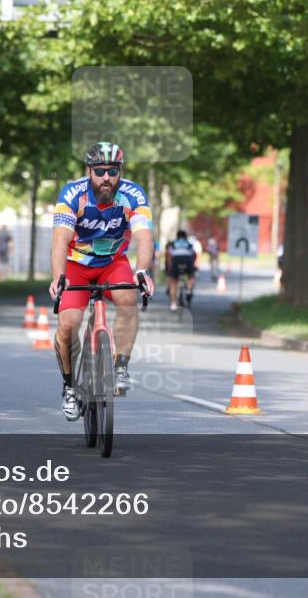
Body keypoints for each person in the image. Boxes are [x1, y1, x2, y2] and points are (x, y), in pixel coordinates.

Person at [49, 141, 154, 419]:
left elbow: (144, 237)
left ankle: (120, 366)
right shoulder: (73, 194)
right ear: (89, 171)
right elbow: (60, 239)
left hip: (112, 263)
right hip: (76, 264)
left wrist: (142, 270)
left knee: (128, 298)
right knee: (68, 325)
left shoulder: (133, 194)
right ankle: (70, 386)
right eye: (100, 171)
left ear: (120, 171)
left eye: (112, 170)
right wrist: (58, 276)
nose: (106, 177)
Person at [166, 229, 197, 311]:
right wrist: (192, 267)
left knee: (173, 282)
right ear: (185, 236)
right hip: (187, 260)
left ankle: (173, 304)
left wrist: (170, 268)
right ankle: (189, 290)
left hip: (176, 260)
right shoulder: (189, 244)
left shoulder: (173, 244)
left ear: (177, 236)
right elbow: (194, 254)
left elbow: (169, 256)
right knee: (191, 275)